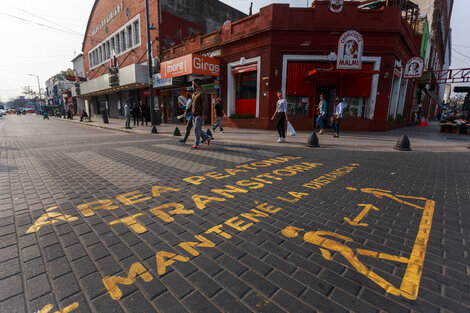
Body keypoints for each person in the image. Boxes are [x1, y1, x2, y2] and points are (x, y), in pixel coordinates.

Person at [190, 79, 210, 150]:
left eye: (193, 84)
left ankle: (196, 144)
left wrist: (204, 114)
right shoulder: (194, 93)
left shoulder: (202, 92)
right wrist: (186, 111)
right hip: (194, 114)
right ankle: (207, 137)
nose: (192, 85)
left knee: (196, 130)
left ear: (196, 84)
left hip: (199, 114)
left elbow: (205, 104)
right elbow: (191, 104)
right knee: (198, 129)